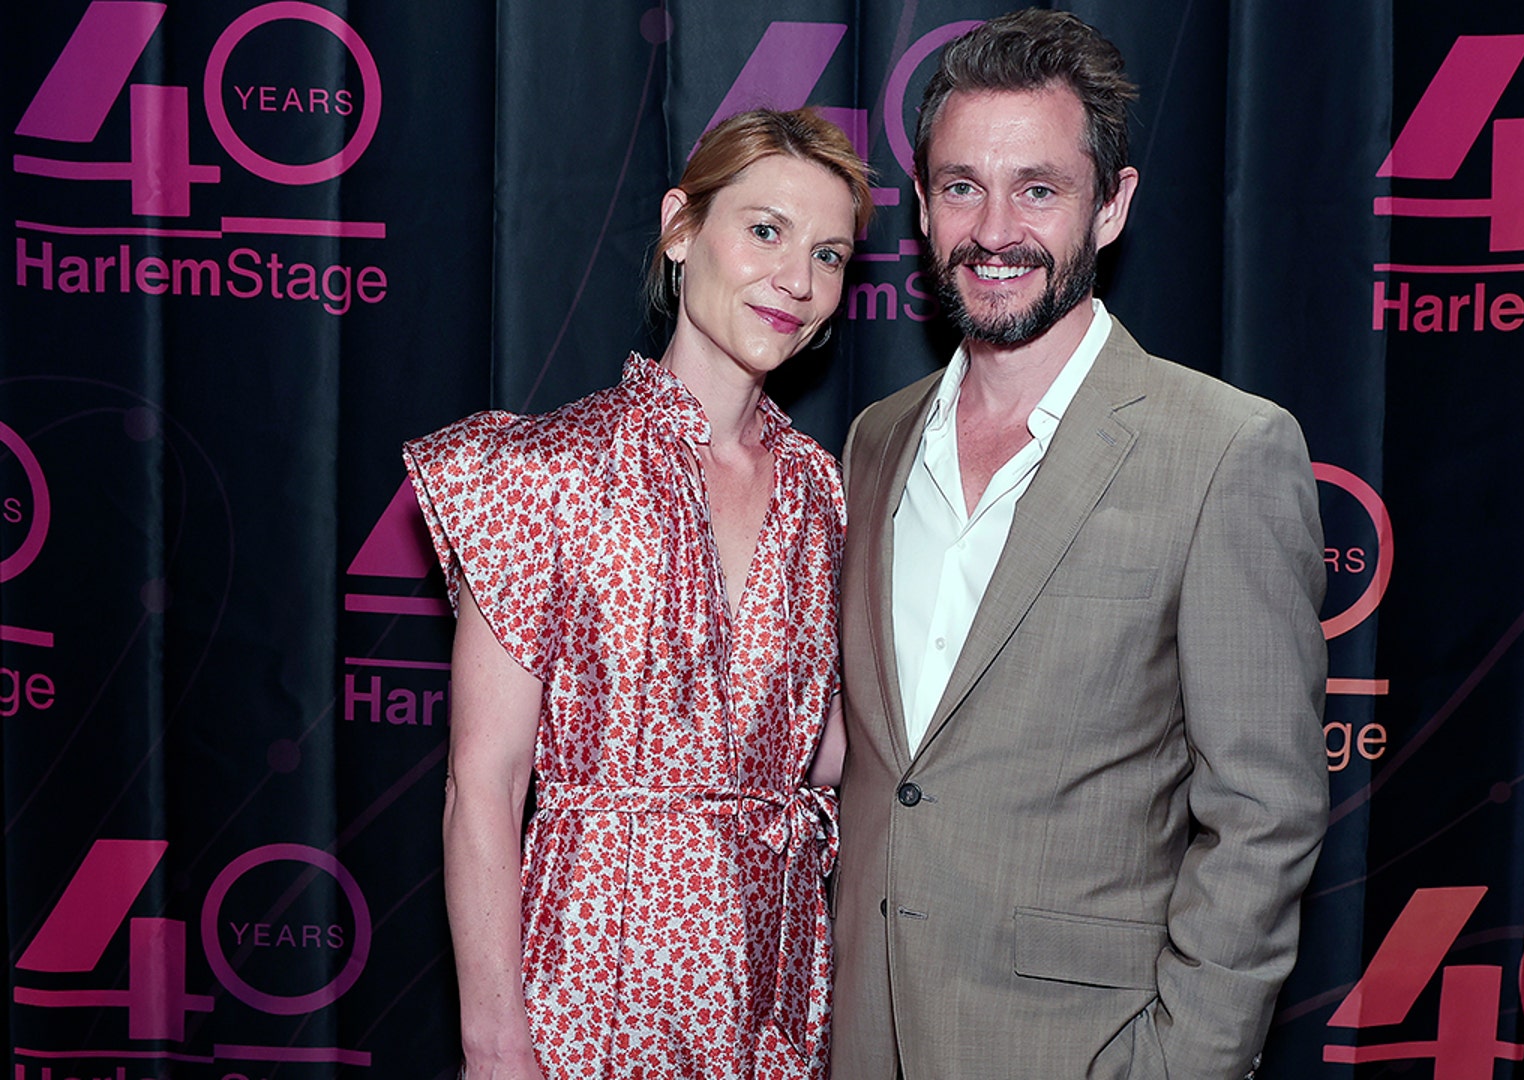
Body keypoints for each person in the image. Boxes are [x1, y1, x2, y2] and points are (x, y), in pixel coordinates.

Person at [830, 11, 1328, 1079]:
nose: (995, 228)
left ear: (1113, 207)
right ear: (920, 206)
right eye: (962, 186)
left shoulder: (1225, 451)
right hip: (863, 1037)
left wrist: (1184, 1063)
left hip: (1081, 1051)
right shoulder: (873, 444)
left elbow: (1264, 815)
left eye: (1039, 189)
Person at [406, 107, 870, 1080]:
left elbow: (826, 751)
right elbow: (481, 786)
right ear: (679, 226)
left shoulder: (821, 490)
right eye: (765, 230)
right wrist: (496, 1046)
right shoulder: (544, 472)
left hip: (775, 981)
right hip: (595, 976)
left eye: (829, 254)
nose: (797, 279)